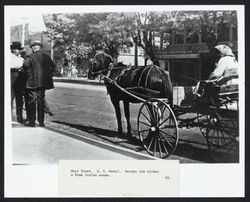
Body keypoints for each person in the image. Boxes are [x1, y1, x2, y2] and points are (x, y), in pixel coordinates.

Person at [22, 40, 56, 127]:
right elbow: (54, 67)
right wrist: (48, 74)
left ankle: (32, 122)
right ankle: (41, 122)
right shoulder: (46, 57)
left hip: (32, 83)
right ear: (39, 47)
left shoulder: (30, 57)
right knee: (41, 103)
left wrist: (29, 75)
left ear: (33, 48)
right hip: (42, 83)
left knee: (32, 102)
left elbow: (25, 66)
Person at [10, 41, 25, 123]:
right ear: (12, 49)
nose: (18, 51)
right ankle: (9, 117)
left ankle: (20, 117)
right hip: (11, 77)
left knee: (19, 99)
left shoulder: (20, 57)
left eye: (19, 49)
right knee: (10, 98)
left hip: (19, 79)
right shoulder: (9, 57)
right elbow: (12, 65)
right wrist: (20, 66)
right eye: (17, 49)